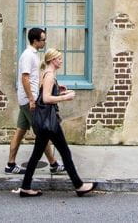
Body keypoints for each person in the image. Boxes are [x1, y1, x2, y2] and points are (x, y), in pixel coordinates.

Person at [18, 48, 97, 197]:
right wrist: (65, 98)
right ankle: (79, 185)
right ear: (53, 60)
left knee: (36, 155)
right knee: (65, 152)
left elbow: (42, 95)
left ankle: (25, 187)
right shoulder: (49, 76)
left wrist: (58, 91)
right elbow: (46, 99)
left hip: (44, 123)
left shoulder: (48, 75)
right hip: (50, 123)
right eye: (59, 59)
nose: (61, 61)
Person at [5, 27, 65, 175]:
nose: (45, 42)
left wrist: (54, 85)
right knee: (42, 132)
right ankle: (53, 164)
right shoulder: (28, 56)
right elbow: (25, 78)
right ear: (35, 41)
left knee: (20, 131)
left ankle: (10, 165)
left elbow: (34, 78)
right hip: (28, 101)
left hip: (27, 99)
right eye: (43, 39)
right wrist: (32, 99)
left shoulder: (34, 55)